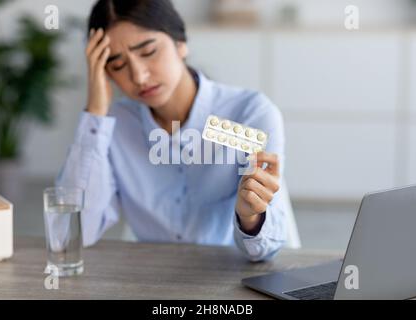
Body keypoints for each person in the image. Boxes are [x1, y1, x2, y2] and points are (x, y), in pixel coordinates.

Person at [57, 0, 287, 261]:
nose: (139, 76)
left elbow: (265, 250)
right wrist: (95, 111)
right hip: (155, 282)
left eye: (148, 51)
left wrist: (250, 216)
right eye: (118, 66)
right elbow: (73, 234)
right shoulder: (112, 127)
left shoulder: (248, 114)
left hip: (233, 278)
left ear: (180, 44)